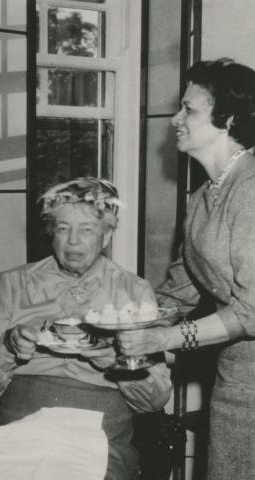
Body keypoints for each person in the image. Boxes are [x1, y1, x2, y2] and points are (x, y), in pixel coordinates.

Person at [0, 178, 172, 480]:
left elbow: (155, 399)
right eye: (63, 228)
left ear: (106, 236)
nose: (73, 241)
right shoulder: (17, 283)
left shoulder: (134, 290)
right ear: (51, 232)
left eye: (86, 230)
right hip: (19, 421)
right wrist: (8, 347)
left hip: (100, 424)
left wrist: (115, 363)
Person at [116, 58, 255, 480]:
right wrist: (120, 325)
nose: (175, 119)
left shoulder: (251, 191)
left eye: (188, 110)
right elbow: (182, 288)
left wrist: (165, 338)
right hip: (237, 379)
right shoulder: (200, 198)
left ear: (228, 119)